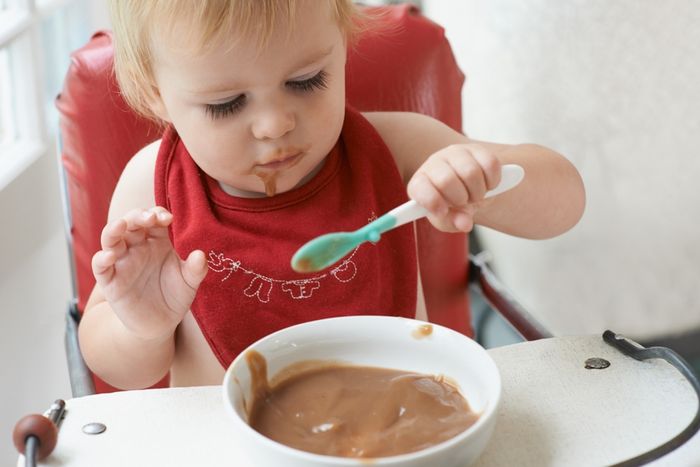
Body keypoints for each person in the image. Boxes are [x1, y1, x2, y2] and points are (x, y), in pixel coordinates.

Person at [79, 0, 585, 390]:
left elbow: (565, 200)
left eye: (306, 80)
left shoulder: (397, 147)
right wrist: (140, 328)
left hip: (404, 429)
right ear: (154, 94)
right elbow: (116, 369)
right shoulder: (153, 188)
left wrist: (482, 185)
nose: (276, 123)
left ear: (342, 44)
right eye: (226, 104)